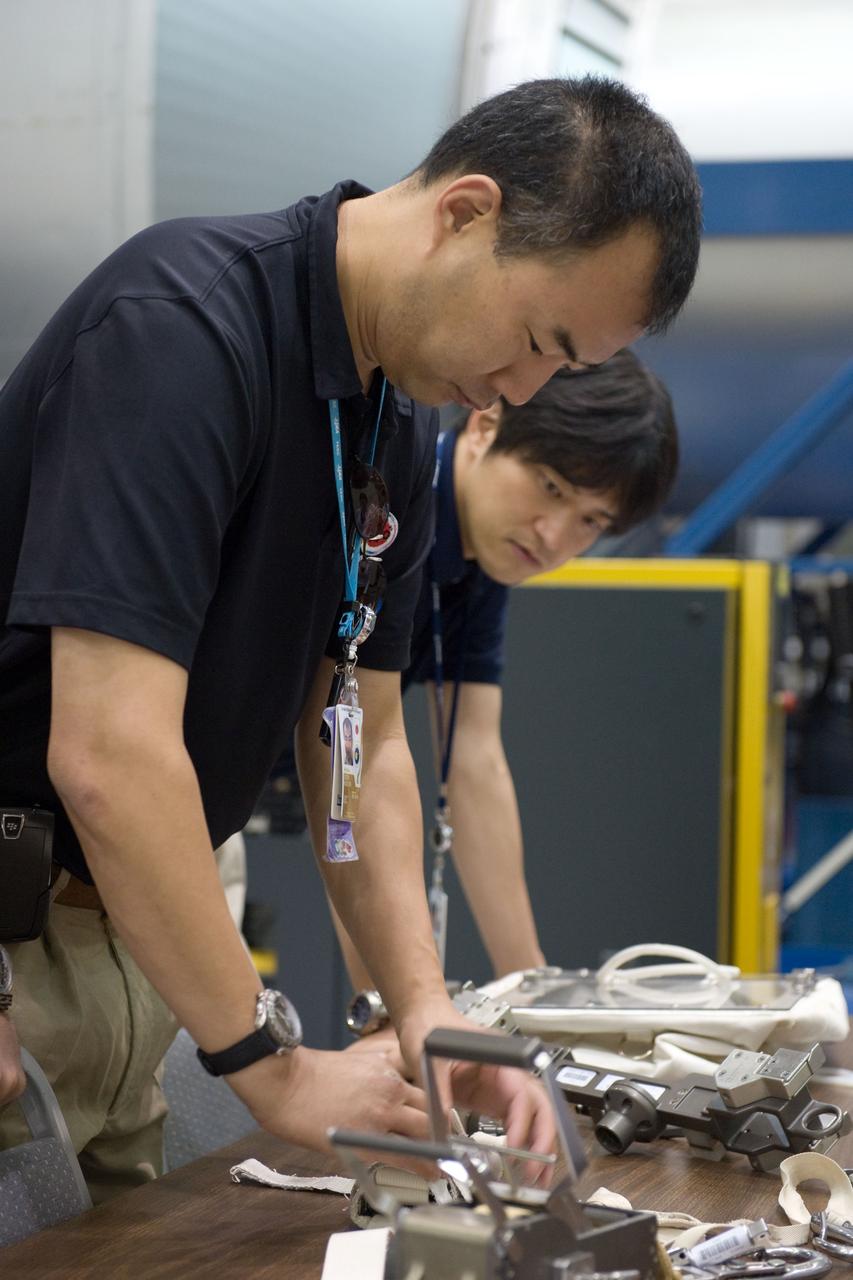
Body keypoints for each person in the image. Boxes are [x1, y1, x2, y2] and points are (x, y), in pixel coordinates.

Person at [0, 75, 701, 1200]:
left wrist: (428, 1010)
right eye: (533, 338)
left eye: (558, 372)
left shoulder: (390, 423)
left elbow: (362, 747)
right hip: (19, 940)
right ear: (465, 211)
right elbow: (108, 753)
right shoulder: (183, 328)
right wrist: (270, 1069)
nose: (520, 387)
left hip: (138, 941)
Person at [331, 350, 678, 989]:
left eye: (590, 522)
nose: (553, 537)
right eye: (550, 486)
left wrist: (534, 990)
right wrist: (395, 1012)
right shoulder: (381, 514)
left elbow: (473, 759)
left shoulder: (482, 556)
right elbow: (342, 780)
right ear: (485, 424)